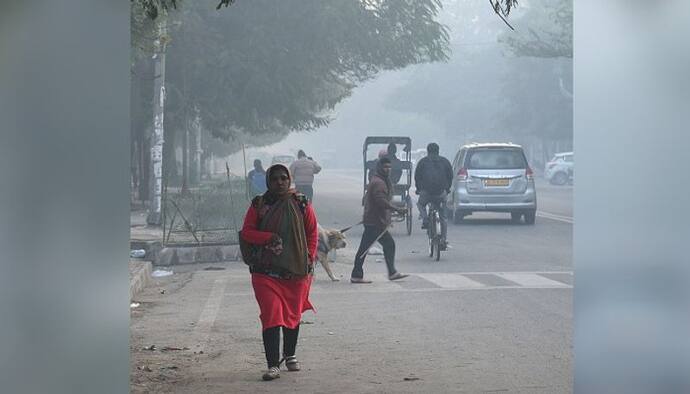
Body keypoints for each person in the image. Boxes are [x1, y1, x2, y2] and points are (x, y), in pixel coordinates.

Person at [240, 164, 319, 381]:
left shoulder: (301, 203)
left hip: (296, 272)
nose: (280, 182)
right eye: (275, 179)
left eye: (284, 178)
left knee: (292, 315)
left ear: (289, 179)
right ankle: (273, 365)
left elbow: (312, 232)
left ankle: (290, 354)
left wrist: (309, 257)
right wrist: (268, 238)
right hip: (265, 273)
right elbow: (247, 232)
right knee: (272, 315)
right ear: (268, 181)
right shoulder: (259, 204)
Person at [351, 157, 409, 283]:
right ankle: (358, 274)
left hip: (375, 221)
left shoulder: (380, 180)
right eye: (385, 167)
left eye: (389, 167)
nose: (387, 169)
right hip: (375, 222)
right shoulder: (379, 183)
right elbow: (380, 201)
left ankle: (359, 274)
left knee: (367, 248)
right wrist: (396, 209)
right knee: (372, 247)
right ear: (379, 168)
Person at [414, 142, 453, 247]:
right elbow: (450, 176)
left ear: (428, 151)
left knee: (420, 204)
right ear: (438, 151)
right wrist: (447, 189)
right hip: (441, 193)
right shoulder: (445, 161)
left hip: (426, 193)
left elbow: (417, 177)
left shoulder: (422, 162)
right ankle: (443, 240)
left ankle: (425, 218)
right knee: (443, 217)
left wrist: (419, 189)